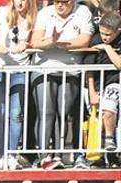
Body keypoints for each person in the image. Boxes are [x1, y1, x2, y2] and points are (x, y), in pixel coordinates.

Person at [29, 0, 93, 170]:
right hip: (44, 68)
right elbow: (35, 41)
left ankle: (58, 155)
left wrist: (59, 43)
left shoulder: (83, 11)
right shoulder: (45, 13)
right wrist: (51, 41)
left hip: (70, 69)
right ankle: (43, 155)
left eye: (64, 2)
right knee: (46, 112)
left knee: (62, 113)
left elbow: (84, 40)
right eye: (57, 1)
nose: (60, 5)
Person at [0, 0, 35, 171]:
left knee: (16, 114)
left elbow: (36, 41)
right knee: (0, 113)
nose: (21, 3)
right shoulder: (0, 13)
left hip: (20, 70)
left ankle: (12, 155)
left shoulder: (33, 16)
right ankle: (0, 155)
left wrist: (27, 45)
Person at [87, 11, 121, 159]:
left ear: (118, 31)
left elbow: (119, 64)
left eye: (108, 34)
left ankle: (109, 139)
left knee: (109, 108)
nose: (104, 37)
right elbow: (88, 69)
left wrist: (107, 48)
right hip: (98, 85)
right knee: (96, 119)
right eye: (102, 33)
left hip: (114, 82)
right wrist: (92, 92)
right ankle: (97, 156)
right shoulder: (95, 40)